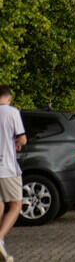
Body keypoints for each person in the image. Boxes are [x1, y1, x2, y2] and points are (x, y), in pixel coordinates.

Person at [0, 85, 27, 262]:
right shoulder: (12, 112)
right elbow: (22, 137)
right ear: (9, 98)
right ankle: (0, 238)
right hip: (7, 166)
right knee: (16, 205)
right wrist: (19, 142)